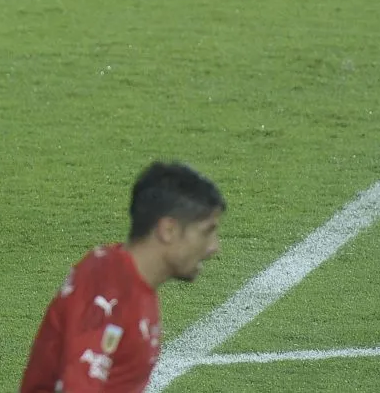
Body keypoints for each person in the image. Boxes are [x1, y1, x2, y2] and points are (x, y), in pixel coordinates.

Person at [20, 161, 226, 392]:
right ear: (168, 230)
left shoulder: (130, 282)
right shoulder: (108, 290)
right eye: (206, 232)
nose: (213, 247)